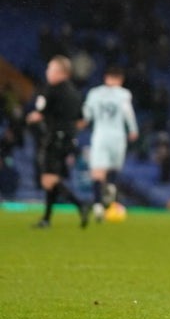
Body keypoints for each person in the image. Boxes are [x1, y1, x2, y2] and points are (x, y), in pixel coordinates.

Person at [27, 55, 90, 229]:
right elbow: (82, 121)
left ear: (60, 72)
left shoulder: (51, 90)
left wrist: (31, 118)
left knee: (48, 179)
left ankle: (79, 204)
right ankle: (46, 219)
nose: (47, 72)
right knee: (53, 178)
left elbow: (39, 113)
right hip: (69, 139)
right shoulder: (76, 93)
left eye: (50, 68)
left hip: (54, 137)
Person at [80, 64, 139, 222]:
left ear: (106, 78)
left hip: (100, 135)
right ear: (120, 79)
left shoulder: (95, 93)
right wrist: (133, 130)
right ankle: (111, 187)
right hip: (117, 136)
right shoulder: (124, 94)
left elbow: (86, 114)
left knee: (97, 172)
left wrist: (81, 122)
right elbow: (128, 112)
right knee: (113, 168)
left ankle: (98, 205)